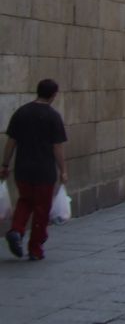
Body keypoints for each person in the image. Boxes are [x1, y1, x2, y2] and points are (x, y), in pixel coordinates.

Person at [2, 79, 68, 260]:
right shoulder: (53, 116)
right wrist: (63, 170)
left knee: (25, 201)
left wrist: (5, 165)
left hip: (22, 169)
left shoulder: (21, 112)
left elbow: (11, 142)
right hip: (44, 171)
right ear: (53, 95)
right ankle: (35, 248)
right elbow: (57, 147)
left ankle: (16, 230)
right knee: (41, 209)